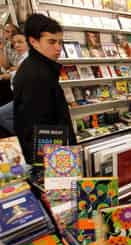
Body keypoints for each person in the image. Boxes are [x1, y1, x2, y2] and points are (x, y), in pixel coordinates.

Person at [13, 14, 76, 163]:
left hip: (46, 153)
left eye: (60, 42)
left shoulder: (37, 67)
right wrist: (60, 167)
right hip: (50, 157)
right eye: (51, 42)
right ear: (34, 42)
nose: (58, 48)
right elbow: (44, 127)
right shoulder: (38, 74)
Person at [0, 28, 30, 135]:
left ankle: (25, 137)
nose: (16, 45)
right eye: (14, 43)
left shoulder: (29, 58)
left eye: (20, 42)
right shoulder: (22, 57)